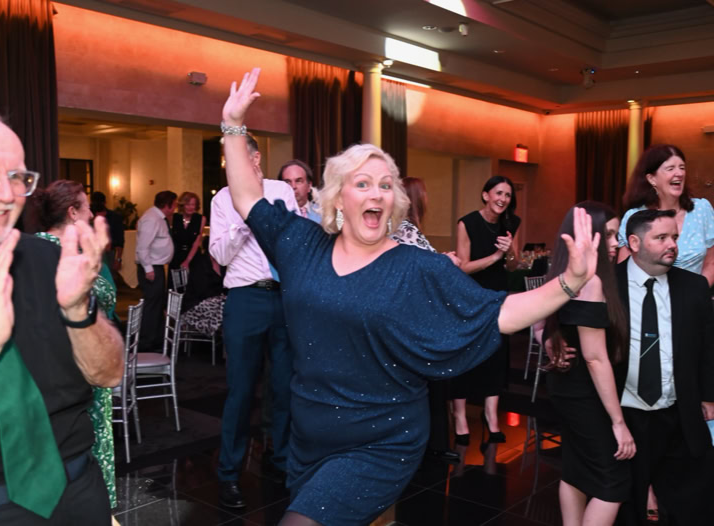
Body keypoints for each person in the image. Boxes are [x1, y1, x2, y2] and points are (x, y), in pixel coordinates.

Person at [220, 68, 599, 526]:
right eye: (363, 183)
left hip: (382, 440)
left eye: (386, 185)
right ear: (338, 197)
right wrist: (233, 125)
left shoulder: (416, 266)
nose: (377, 193)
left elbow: (500, 314)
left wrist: (569, 281)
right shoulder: (302, 245)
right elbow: (247, 197)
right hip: (310, 439)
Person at [0, 107, 123, 525]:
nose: (5, 194)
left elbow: (109, 373)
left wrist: (78, 311)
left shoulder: (50, 260)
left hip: (79, 486)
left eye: (17, 177)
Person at [209, 133, 299, 509]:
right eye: (226, 159)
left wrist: (263, 208)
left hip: (283, 297)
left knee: (284, 387)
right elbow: (220, 255)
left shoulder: (281, 191)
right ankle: (229, 474)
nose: (229, 165)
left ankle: (280, 460)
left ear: (256, 158)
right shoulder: (221, 199)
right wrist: (247, 219)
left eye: (235, 157)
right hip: (245, 299)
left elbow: (295, 243)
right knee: (241, 390)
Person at [615, 209, 714, 526]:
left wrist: (710, 395)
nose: (672, 244)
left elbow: (707, 345)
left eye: (674, 236)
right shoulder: (607, 284)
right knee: (625, 495)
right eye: (661, 237)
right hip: (624, 408)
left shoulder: (693, 286)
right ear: (634, 243)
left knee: (685, 494)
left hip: (676, 407)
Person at [543, 201, 635, 526]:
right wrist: (618, 422)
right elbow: (595, 358)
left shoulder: (565, 271)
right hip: (583, 390)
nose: (615, 242)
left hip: (565, 385)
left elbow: (539, 321)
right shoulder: (591, 281)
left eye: (616, 235)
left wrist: (548, 339)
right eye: (607, 235)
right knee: (614, 482)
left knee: (575, 469)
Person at [33, 180, 120, 509]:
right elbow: (106, 298)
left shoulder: (27, 251)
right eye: (87, 207)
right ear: (72, 212)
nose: (92, 214)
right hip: (81, 363)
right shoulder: (74, 257)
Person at [390, 177, 461, 464]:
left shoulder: (405, 230)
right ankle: (430, 446)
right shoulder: (404, 229)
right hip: (413, 321)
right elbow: (420, 269)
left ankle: (432, 444)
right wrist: (447, 262)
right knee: (429, 383)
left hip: (412, 318)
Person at [452, 175, 521, 445]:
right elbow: (463, 267)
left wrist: (510, 251)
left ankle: (491, 416)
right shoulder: (467, 223)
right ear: (486, 195)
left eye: (507, 195)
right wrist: (495, 257)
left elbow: (513, 265)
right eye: (498, 193)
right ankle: (459, 416)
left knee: (496, 352)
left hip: (497, 295)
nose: (503, 199)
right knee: (465, 354)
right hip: (470, 295)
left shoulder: (511, 223)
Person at [618, 144, 714, 286]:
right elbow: (624, 270)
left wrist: (697, 295)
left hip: (693, 296)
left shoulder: (701, 210)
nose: (679, 173)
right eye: (670, 168)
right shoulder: (635, 216)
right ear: (652, 179)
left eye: (682, 167)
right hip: (647, 297)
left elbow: (710, 264)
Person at [135, 190, 176, 352]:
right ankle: (146, 342)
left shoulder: (158, 218)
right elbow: (143, 247)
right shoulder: (151, 219)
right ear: (167, 205)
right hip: (151, 268)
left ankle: (156, 340)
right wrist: (148, 269)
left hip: (156, 266)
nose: (175, 208)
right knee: (152, 305)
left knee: (157, 304)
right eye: (174, 205)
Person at [169, 191, 206, 272]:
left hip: (193, 256)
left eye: (193, 204)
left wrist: (187, 261)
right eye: (187, 204)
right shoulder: (174, 217)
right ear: (182, 205)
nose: (190, 207)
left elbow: (196, 242)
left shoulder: (201, 219)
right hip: (176, 256)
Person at [91, 191, 125, 273]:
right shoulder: (88, 216)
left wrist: (118, 259)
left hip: (108, 254)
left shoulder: (114, 217)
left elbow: (119, 241)